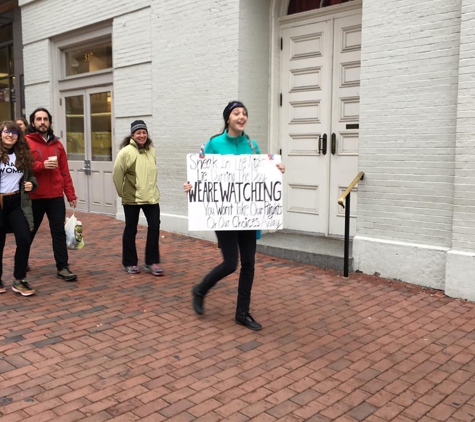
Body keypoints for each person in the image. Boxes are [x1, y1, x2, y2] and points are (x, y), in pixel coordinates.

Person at [183, 101, 285, 331]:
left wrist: (277, 170)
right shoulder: (213, 143)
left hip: (248, 214)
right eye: (236, 113)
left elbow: (262, 172)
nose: (241, 117)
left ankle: (242, 313)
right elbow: (200, 172)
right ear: (227, 118)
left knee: (249, 264)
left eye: (245, 113)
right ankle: (200, 289)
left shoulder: (252, 144)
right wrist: (191, 185)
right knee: (230, 263)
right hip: (224, 214)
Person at [26, 107, 78, 282]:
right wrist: (41, 166)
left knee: (58, 232)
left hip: (55, 196)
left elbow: (64, 172)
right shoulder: (26, 142)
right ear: (33, 122)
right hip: (35, 196)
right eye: (39, 119)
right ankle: (22, 262)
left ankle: (63, 267)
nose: (42, 122)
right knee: (28, 232)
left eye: (45, 119)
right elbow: (23, 168)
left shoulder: (57, 144)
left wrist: (70, 195)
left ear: (49, 122)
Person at [113, 120, 164, 276]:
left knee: (154, 227)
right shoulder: (126, 152)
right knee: (131, 229)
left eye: (144, 132)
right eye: (138, 133)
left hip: (151, 196)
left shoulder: (151, 151)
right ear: (133, 135)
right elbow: (117, 175)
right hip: (132, 198)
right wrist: (123, 193)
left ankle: (151, 262)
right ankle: (129, 263)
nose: (142, 135)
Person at [0, 121, 38, 296]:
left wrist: (31, 184)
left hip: (17, 202)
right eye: (7, 131)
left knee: (24, 239)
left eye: (14, 132)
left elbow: (31, 177)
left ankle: (19, 279)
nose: (10, 135)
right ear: (1, 134)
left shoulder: (22, 154)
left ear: (18, 136)